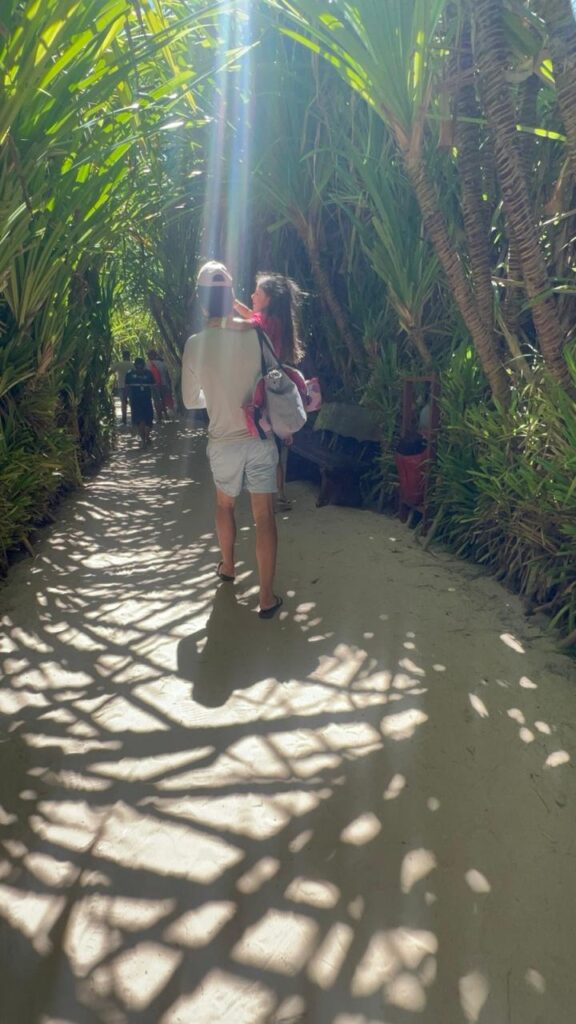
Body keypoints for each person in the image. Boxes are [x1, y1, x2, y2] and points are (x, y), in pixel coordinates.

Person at [181, 261, 282, 620]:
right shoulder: (254, 334)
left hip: (223, 441)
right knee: (264, 517)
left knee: (224, 506)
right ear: (232, 295)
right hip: (259, 438)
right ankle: (266, 597)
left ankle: (228, 566)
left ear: (202, 300)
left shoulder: (195, 344)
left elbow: (191, 401)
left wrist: (216, 395)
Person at [234, 273, 304, 510]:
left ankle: (275, 497)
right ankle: (279, 495)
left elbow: (247, 323)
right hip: (275, 385)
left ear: (269, 299)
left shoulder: (268, 322)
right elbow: (250, 316)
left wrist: (218, 320)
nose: (253, 296)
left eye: (257, 293)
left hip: (268, 388)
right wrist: (234, 303)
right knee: (276, 441)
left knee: (270, 444)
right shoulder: (274, 320)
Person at [125, 357, 155, 448]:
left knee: (140, 420)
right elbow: (154, 386)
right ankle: (146, 437)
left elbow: (126, 387)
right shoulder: (148, 373)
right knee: (148, 420)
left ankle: (143, 439)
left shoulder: (129, 374)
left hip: (135, 400)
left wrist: (124, 398)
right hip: (146, 399)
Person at [112, 348, 133, 425]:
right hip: (131, 386)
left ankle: (124, 419)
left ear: (123, 356)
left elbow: (111, 370)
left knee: (123, 402)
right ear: (129, 356)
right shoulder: (132, 364)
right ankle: (134, 418)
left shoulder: (119, 364)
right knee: (132, 402)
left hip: (121, 385)